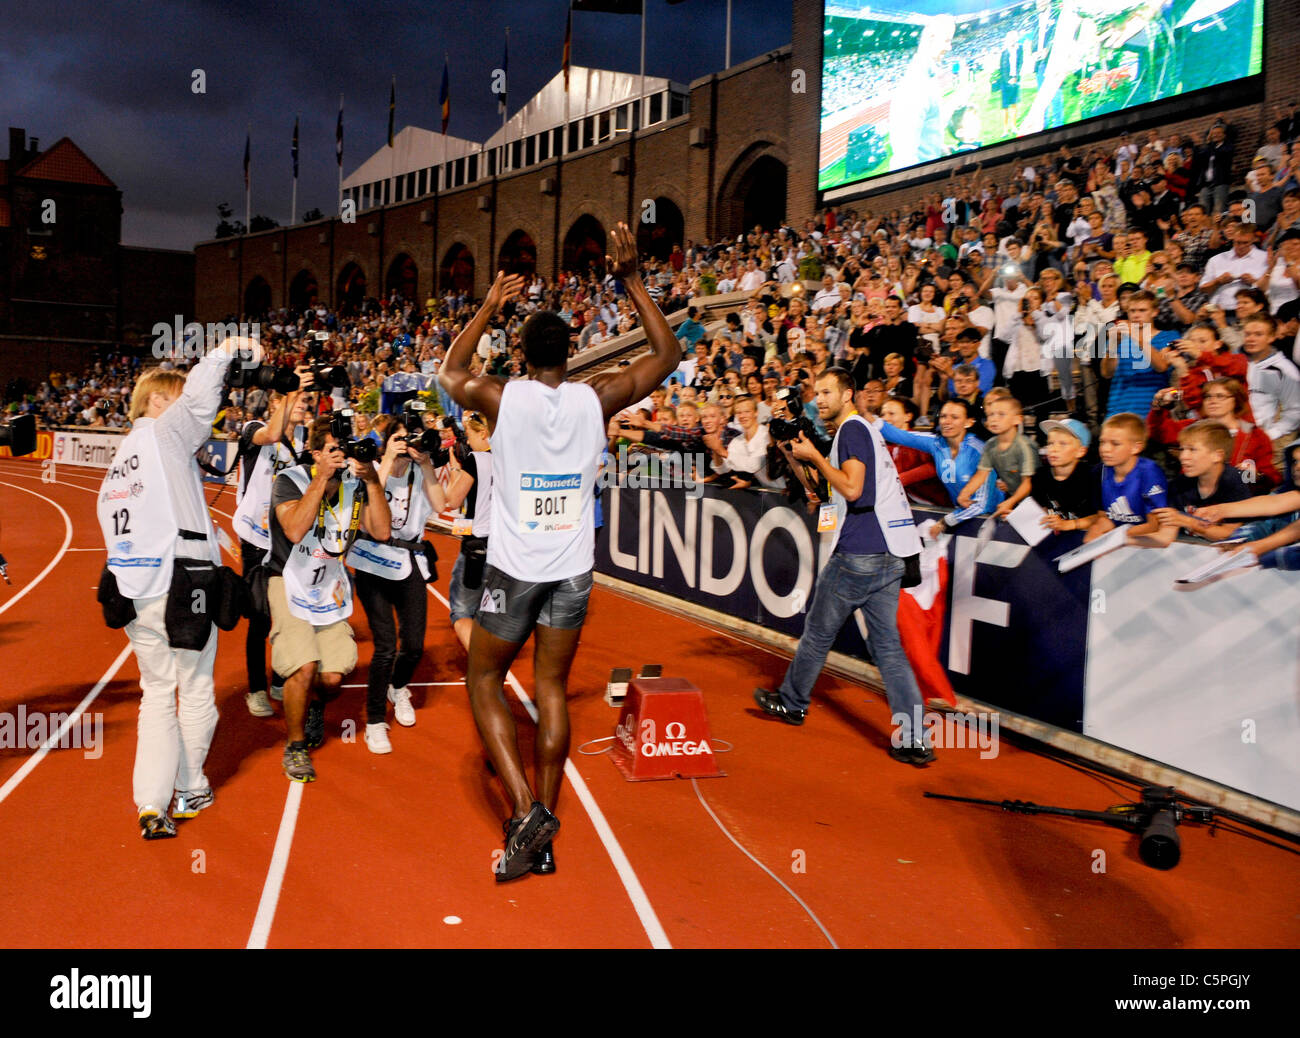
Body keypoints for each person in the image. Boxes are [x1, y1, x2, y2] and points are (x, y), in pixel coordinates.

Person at [439, 222, 681, 882]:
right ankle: (541, 831)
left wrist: (490, 304)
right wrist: (631, 281)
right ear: (570, 353)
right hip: (574, 571)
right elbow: (667, 354)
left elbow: (451, 371)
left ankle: (524, 812)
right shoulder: (594, 397)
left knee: (484, 678)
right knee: (550, 689)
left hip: (517, 568)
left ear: (520, 353)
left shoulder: (502, 396)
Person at [97, 335, 261, 838]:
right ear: (158, 401)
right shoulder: (164, 434)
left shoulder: (124, 456)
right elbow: (199, 397)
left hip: (133, 585)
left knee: (154, 692)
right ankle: (190, 787)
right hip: (181, 580)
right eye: (174, 395)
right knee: (192, 689)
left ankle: (150, 802)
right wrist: (229, 348)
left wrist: (213, 534)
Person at [752, 368, 931, 765]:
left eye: (828, 391)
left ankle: (792, 702)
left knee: (817, 633)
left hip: (860, 555)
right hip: (890, 554)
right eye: (817, 393)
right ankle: (915, 738)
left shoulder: (852, 429)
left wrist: (814, 454)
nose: (820, 399)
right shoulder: (854, 433)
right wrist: (791, 452)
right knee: (888, 648)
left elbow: (853, 490)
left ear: (849, 394)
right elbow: (822, 493)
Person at [268, 415, 391, 782]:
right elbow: (293, 529)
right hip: (287, 580)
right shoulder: (290, 479)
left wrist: (371, 481)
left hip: (329, 586)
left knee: (332, 678)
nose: (341, 457)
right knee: (304, 666)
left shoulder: (355, 483)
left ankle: (314, 706)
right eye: (333, 450)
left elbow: (382, 531)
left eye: (344, 450)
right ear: (315, 452)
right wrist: (321, 477)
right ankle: (295, 746)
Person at [347, 418, 450, 754]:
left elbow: (441, 505)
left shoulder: (420, 471)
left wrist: (427, 463)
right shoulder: (370, 468)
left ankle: (398, 685)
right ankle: (376, 721)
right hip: (372, 561)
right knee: (385, 645)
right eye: (399, 437)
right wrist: (388, 457)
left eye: (411, 437)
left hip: (410, 562)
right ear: (386, 440)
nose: (407, 442)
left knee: (416, 645)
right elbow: (362, 504)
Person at [232, 370, 313, 717]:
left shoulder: (302, 442)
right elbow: (273, 432)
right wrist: (289, 387)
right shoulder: (253, 429)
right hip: (254, 538)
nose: (303, 403)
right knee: (261, 616)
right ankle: (255, 688)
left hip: (284, 539)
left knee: (289, 610)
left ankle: (281, 676)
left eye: (304, 398)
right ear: (278, 401)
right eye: (295, 398)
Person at [1148, 421, 1250, 546]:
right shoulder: (1180, 484)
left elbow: (1229, 535)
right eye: (1182, 449)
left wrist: (1188, 522)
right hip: (1189, 548)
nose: (1183, 456)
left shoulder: (1233, 482)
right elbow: (1166, 534)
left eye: (1192, 449)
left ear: (1217, 456)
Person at [442, 412, 494, 652]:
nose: (468, 441)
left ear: (483, 433)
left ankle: (483, 666)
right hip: (506, 550)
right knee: (494, 611)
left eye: (470, 435)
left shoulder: (477, 460)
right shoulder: (515, 459)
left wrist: (456, 469)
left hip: (477, 547)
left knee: (463, 611)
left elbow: (452, 499)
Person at [1084, 413, 1167, 544]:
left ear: (1136, 447)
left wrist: (1115, 537)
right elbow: (1105, 518)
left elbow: (1154, 525)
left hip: (1145, 543)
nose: (1105, 449)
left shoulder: (1149, 473)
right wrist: (1096, 529)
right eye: (1102, 442)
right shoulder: (1099, 472)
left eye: (1115, 444)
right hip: (1118, 540)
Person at [956, 395, 1037, 520]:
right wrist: (965, 493)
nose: (994, 419)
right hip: (1016, 498)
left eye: (1001, 414)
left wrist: (1011, 501)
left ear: (1017, 419)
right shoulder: (990, 444)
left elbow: (1027, 484)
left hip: (1038, 500)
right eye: (991, 415)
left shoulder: (1024, 446)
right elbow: (981, 474)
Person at [1031, 418, 1100, 535]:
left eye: (1063, 444)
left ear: (1081, 451)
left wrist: (1069, 524)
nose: (1053, 449)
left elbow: (1100, 517)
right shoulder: (1040, 476)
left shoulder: (1091, 476)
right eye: (1050, 443)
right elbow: (1040, 510)